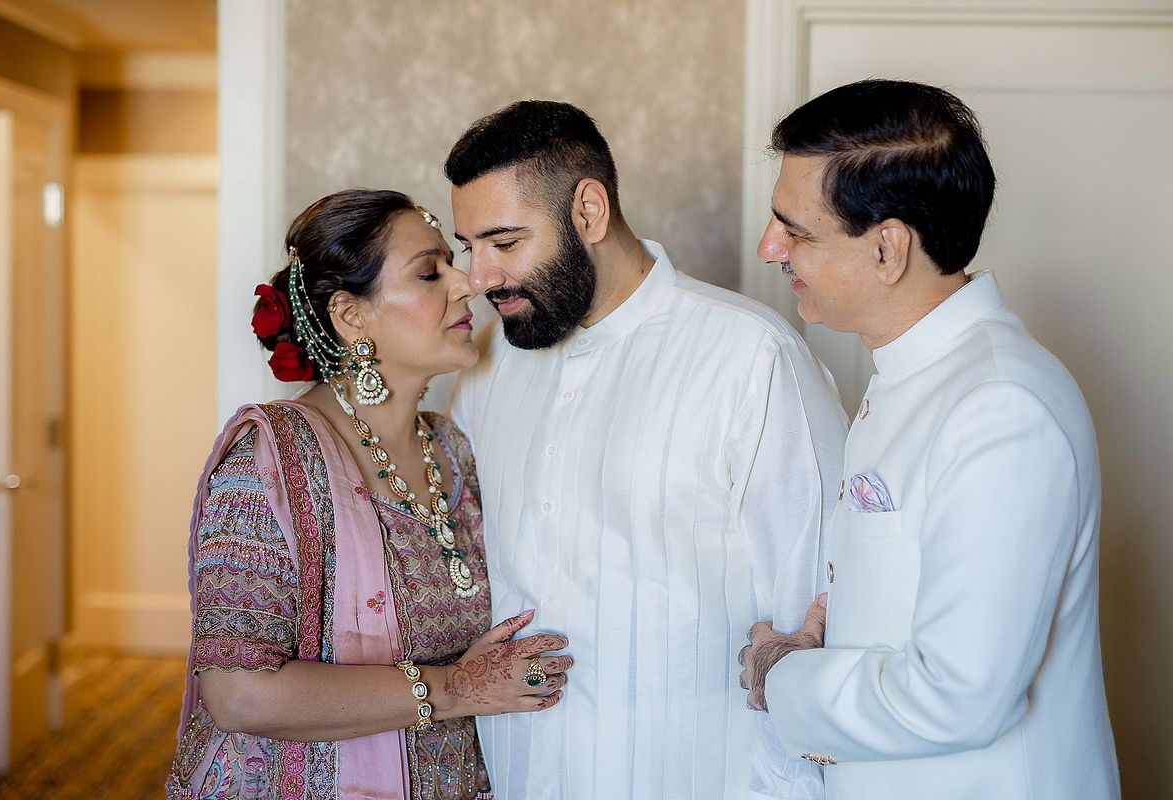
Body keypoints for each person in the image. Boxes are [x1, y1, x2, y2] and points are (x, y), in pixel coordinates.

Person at [445, 101, 849, 799]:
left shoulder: (751, 356)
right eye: (468, 247)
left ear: (589, 211)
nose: (479, 278)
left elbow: (817, 610)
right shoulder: (491, 362)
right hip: (525, 777)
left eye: (504, 243)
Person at [740, 79, 1120, 799]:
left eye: (797, 231)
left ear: (889, 249)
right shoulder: (915, 378)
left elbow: (958, 696)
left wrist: (785, 677)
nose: (769, 247)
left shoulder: (1001, 407)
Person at [166, 189, 573, 800]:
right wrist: (456, 688)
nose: (467, 285)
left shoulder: (453, 447)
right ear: (350, 315)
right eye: (429, 273)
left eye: (453, 264)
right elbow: (239, 694)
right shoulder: (272, 459)